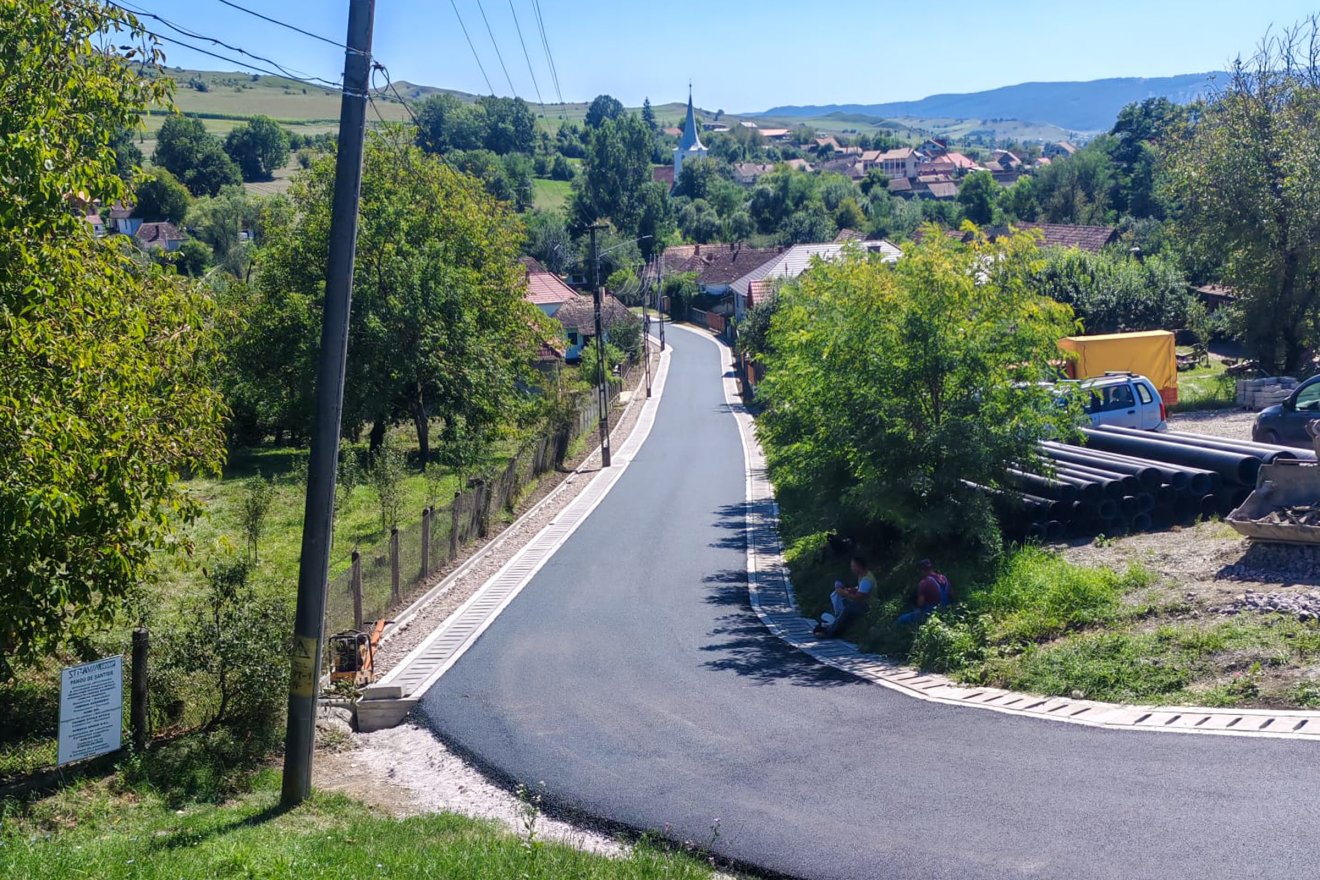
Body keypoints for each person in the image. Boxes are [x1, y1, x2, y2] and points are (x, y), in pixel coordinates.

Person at [814, 555, 875, 638]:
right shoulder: (864, 575)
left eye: (853, 566)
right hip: (863, 602)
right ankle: (831, 622)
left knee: (847, 609)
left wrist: (844, 593)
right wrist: (849, 590)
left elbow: (859, 597)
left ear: (858, 566)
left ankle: (830, 632)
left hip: (868, 605)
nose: (852, 568)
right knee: (841, 602)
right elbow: (861, 589)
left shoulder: (866, 580)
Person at [897, 559, 952, 625]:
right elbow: (951, 594)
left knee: (901, 619)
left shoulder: (924, 582)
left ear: (922, 571)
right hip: (946, 610)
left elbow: (920, 603)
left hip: (932, 613)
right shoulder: (943, 578)